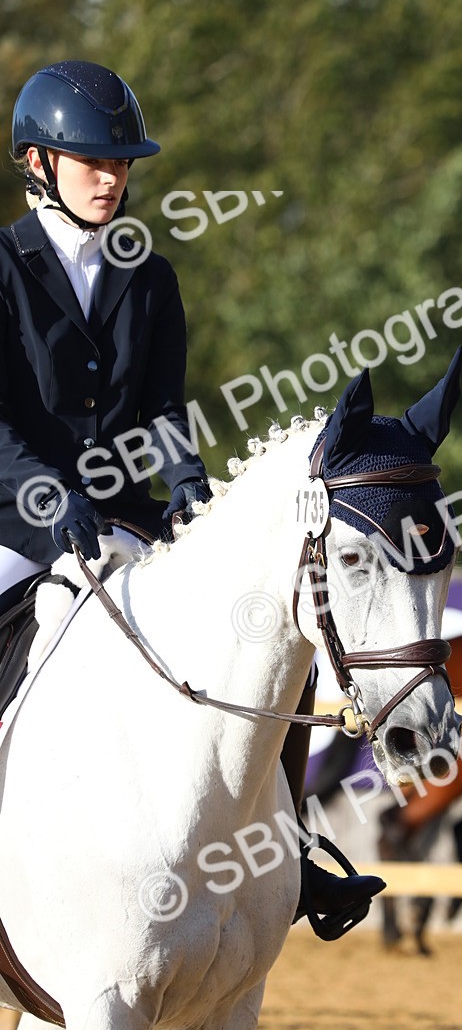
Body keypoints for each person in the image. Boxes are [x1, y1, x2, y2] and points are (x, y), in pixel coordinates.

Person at [2, 59, 380, 933]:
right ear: (36, 162)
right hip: (17, 518)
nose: (112, 177)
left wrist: (184, 483)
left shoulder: (150, 276)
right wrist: (49, 493)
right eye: (92, 160)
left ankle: (285, 850)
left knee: (263, 634)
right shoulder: (3, 269)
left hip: (124, 515)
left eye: (122, 162)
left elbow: (165, 409)